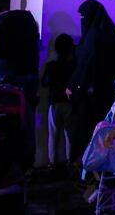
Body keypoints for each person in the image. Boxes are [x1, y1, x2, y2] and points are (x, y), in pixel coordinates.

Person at [67, 0, 115, 165]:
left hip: (92, 95)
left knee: (88, 131)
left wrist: (73, 86)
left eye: (84, 16)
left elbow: (85, 64)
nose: (82, 19)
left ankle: (88, 168)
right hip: (108, 91)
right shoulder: (110, 32)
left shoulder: (93, 36)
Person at [0, 7, 41, 168]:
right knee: (28, 117)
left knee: (8, 118)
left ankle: (8, 163)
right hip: (30, 75)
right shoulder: (28, 20)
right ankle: (27, 161)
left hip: (9, 76)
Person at [41, 33, 76, 169]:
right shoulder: (74, 65)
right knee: (69, 133)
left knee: (53, 133)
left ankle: (52, 162)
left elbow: (44, 83)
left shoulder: (51, 65)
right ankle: (70, 161)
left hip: (55, 102)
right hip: (69, 103)